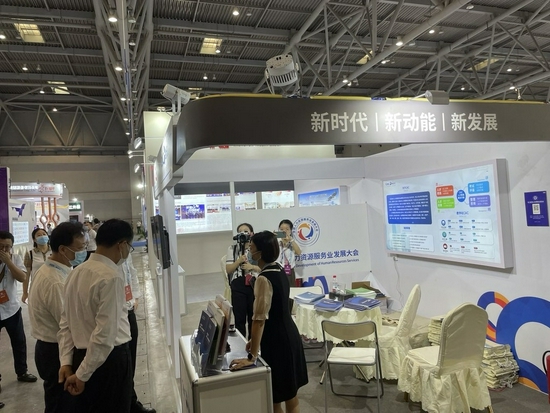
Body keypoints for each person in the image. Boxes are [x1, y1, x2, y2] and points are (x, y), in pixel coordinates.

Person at [57, 219, 134, 413]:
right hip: (108, 362)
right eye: (129, 247)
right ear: (122, 245)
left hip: (81, 357)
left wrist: (66, 361)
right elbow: (104, 335)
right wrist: (83, 374)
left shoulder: (75, 273)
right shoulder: (111, 277)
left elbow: (65, 323)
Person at [230, 231, 308, 413]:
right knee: (290, 396)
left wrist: (251, 357)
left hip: (277, 343)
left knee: (275, 398)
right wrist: (255, 342)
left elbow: (259, 320)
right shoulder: (279, 269)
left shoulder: (263, 279)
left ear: (260, 253)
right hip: (289, 336)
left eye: (251, 248)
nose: (249, 252)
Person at [28, 222, 87, 413]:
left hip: (53, 347)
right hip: (56, 351)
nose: (84, 252)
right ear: (63, 249)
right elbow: (68, 324)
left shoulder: (55, 270)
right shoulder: (55, 281)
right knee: (61, 404)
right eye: (80, 248)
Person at [0, 231, 38, 388]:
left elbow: (22, 278)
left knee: (19, 342)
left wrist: (8, 262)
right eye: (1, 246)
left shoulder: (14, 258)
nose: (4, 250)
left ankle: (22, 371)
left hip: (11, 309)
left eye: (7, 247)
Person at [121, 253, 156, 413]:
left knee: (130, 360)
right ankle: (127, 402)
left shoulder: (125, 254)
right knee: (122, 363)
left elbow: (131, 272)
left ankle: (131, 401)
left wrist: (135, 296)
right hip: (119, 314)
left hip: (129, 310)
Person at [225, 223, 261, 338]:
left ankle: (252, 343)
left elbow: (263, 268)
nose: (243, 234)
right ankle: (241, 343)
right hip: (238, 285)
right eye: (240, 232)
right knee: (239, 319)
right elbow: (229, 270)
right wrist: (238, 261)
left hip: (254, 284)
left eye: (246, 231)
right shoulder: (232, 248)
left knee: (253, 318)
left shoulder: (257, 248)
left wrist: (252, 267)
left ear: (252, 233)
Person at [22, 227, 53, 304]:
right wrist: (25, 292)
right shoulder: (30, 254)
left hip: (53, 286)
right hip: (37, 287)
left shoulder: (55, 251)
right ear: (34, 239)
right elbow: (26, 275)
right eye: (39, 235)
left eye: (44, 234)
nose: (42, 236)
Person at [276, 219, 302, 287]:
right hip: (277, 270)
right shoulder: (276, 241)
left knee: (291, 290)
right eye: (281, 229)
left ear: (291, 231)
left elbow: (298, 252)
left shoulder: (293, 242)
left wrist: (291, 240)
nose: (284, 231)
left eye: (287, 229)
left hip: (289, 271)